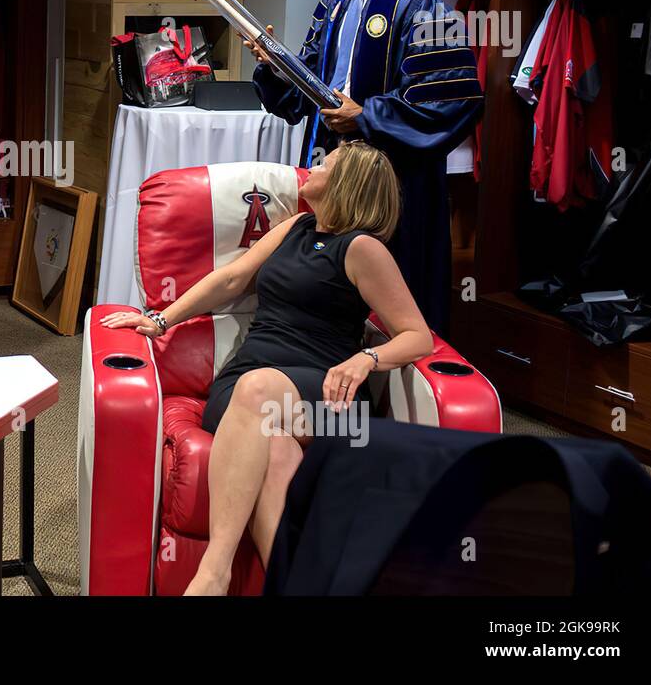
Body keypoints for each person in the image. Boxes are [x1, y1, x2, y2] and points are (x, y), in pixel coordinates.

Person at [99, 141, 433, 595]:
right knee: (273, 453)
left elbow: (417, 335)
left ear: (347, 184)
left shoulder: (362, 250)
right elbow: (234, 278)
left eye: (323, 164)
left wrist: (366, 358)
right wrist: (160, 319)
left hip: (323, 398)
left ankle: (212, 575)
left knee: (260, 392)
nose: (310, 168)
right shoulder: (298, 226)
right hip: (246, 389)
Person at [249, 0, 482, 335]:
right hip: (331, 165)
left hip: (391, 175)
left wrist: (368, 115)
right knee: (325, 274)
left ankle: (391, 383)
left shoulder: (426, 8)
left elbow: (453, 101)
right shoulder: (334, 4)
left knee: (386, 283)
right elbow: (304, 94)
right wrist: (272, 65)